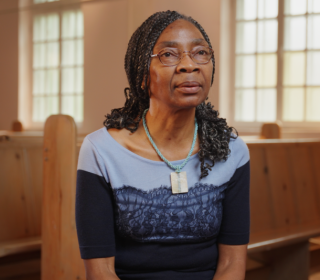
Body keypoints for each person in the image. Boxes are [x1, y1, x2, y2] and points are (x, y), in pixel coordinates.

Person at [76, 10, 250, 280]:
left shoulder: (233, 151)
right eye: (169, 54)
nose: (188, 65)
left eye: (200, 53)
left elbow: (231, 264)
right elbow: (101, 272)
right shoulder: (101, 150)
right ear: (141, 74)